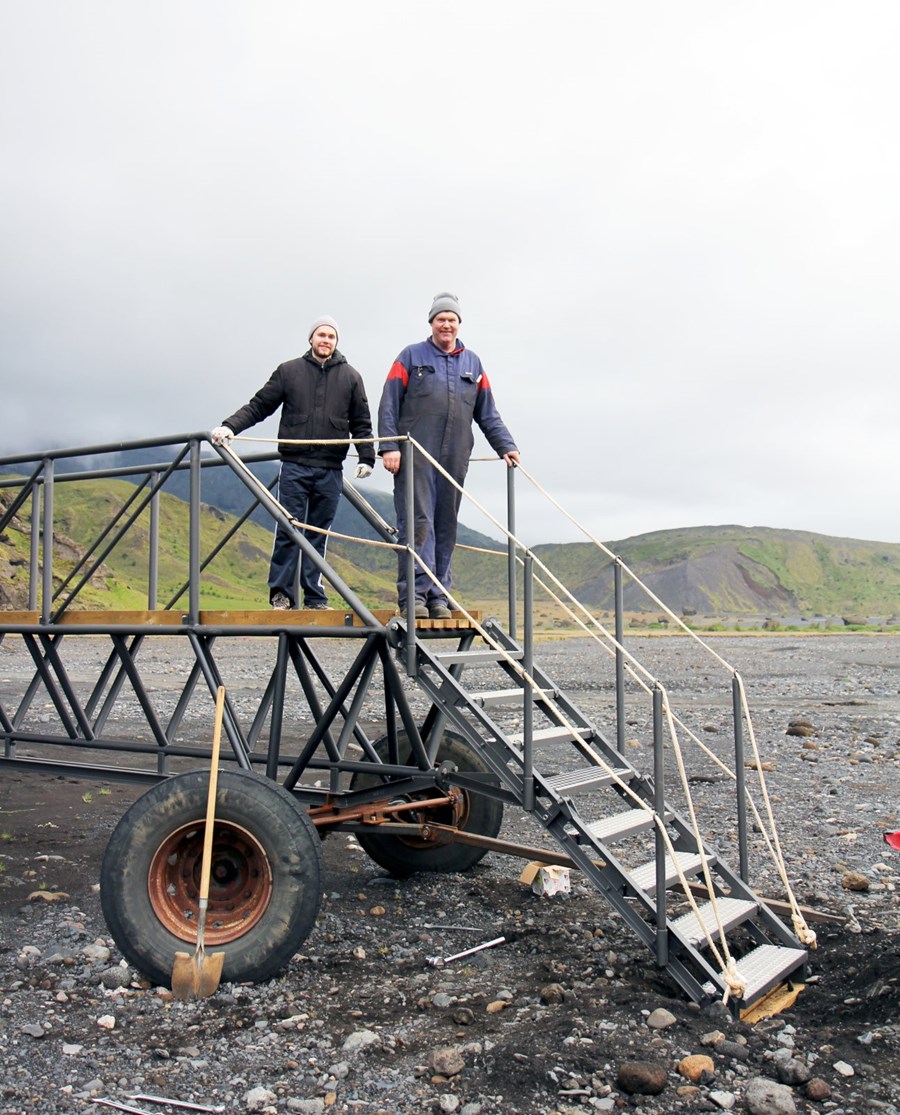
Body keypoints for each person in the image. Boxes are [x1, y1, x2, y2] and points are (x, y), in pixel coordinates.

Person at [212, 316, 375, 610]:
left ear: (336, 342)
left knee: (319, 533)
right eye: (321, 335)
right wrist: (230, 427)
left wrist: (367, 457)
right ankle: (281, 594)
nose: (326, 340)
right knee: (289, 529)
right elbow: (260, 405)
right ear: (311, 339)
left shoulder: (351, 377)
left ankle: (314, 596)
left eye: (331, 337)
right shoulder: (289, 372)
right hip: (295, 466)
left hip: (330, 469)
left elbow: (361, 421)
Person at [378, 292, 520, 620]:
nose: (446, 324)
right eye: (440, 319)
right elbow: (389, 402)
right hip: (416, 452)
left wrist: (506, 446)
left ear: (458, 325)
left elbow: (488, 413)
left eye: (451, 319)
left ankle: (439, 596)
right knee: (417, 521)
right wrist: (389, 446)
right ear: (431, 323)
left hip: (455, 455)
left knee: (446, 523)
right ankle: (414, 596)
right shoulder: (410, 356)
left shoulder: (474, 364)